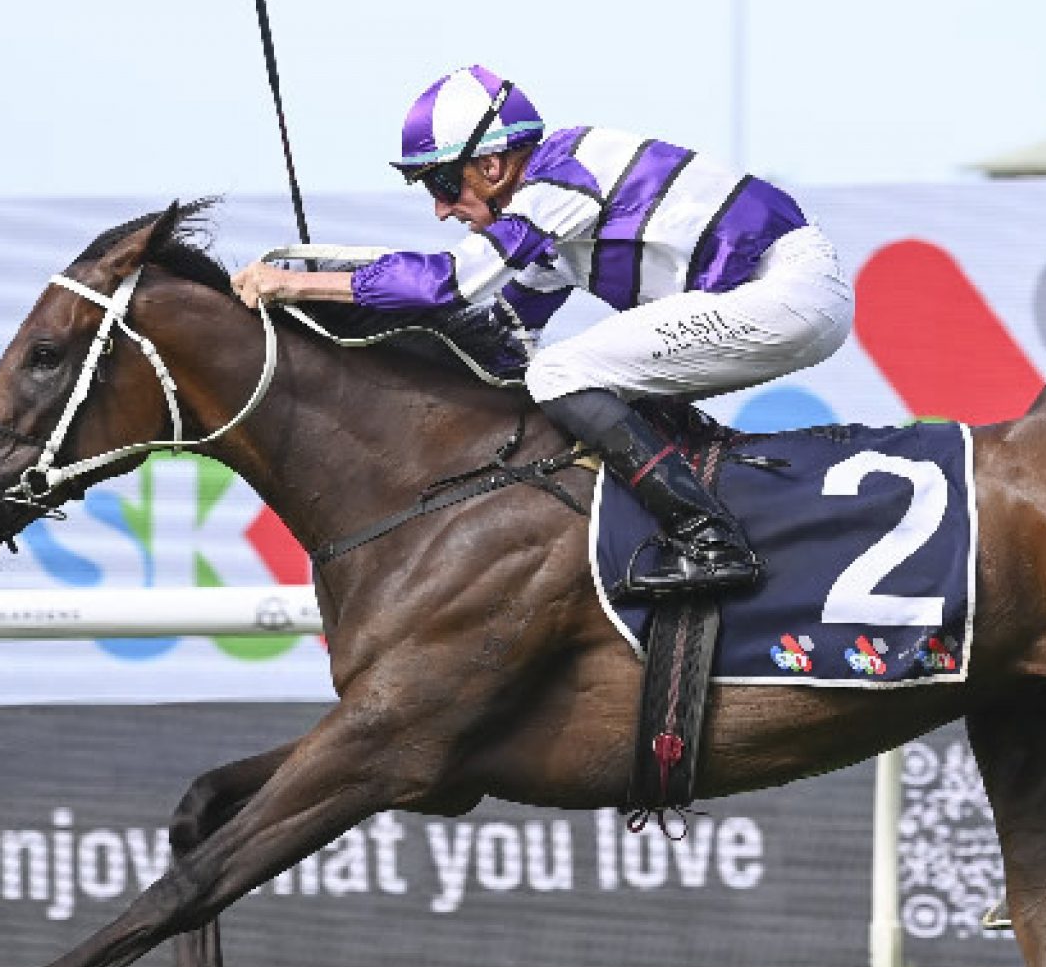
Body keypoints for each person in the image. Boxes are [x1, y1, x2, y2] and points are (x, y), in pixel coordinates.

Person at [231, 64, 854, 598]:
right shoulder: (552, 213)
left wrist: (298, 284)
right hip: (776, 294)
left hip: (784, 290)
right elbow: (503, 337)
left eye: (443, 184)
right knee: (563, 374)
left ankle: (710, 539)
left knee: (561, 372)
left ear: (493, 164)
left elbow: (451, 283)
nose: (441, 209)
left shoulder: (560, 179)